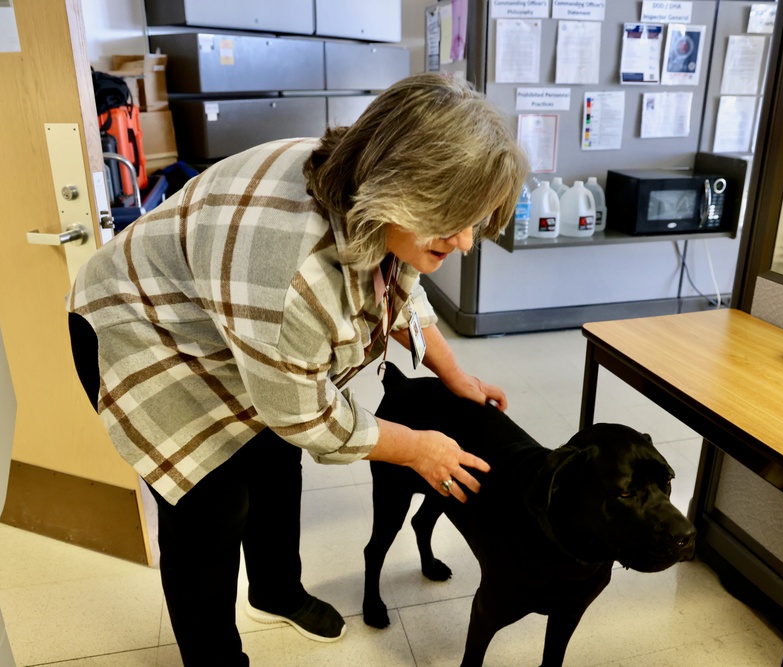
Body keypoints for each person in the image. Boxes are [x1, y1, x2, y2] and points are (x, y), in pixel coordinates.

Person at [66, 72, 528, 666]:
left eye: (475, 221)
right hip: (142, 329)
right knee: (211, 507)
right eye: (453, 221)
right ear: (400, 187)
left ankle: (275, 589)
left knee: (274, 464)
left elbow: (399, 282)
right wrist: (415, 448)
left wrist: (453, 372)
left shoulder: (366, 192)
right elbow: (305, 414)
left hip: (230, 317)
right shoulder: (294, 273)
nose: (465, 242)